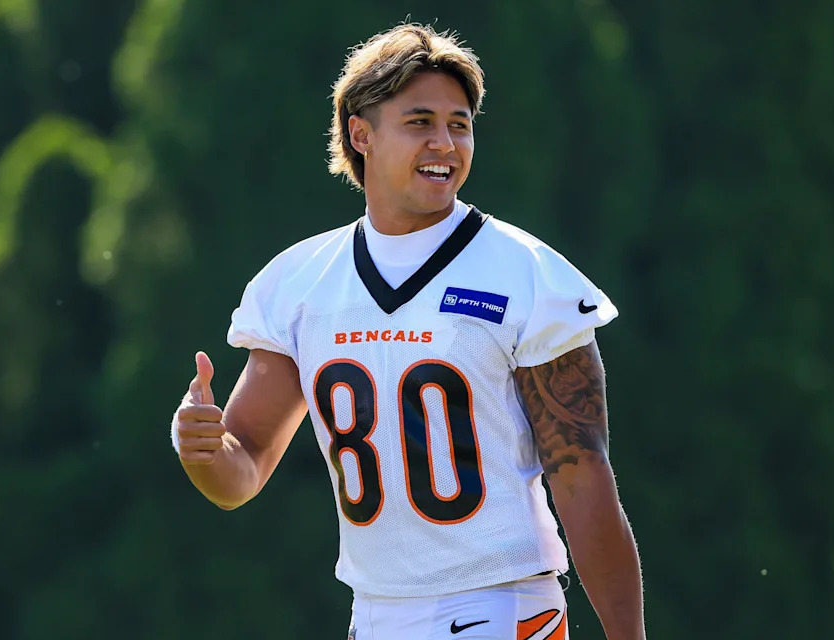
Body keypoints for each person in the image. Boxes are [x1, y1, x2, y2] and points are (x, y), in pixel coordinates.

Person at [171, 23, 645, 640]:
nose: (445, 143)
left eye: (460, 123)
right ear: (360, 133)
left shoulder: (527, 274)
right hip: (373, 613)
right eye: (420, 121)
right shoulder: (300, 283)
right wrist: (201, 449)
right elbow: (243, 469)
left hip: (500, 603)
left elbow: (581, 476)